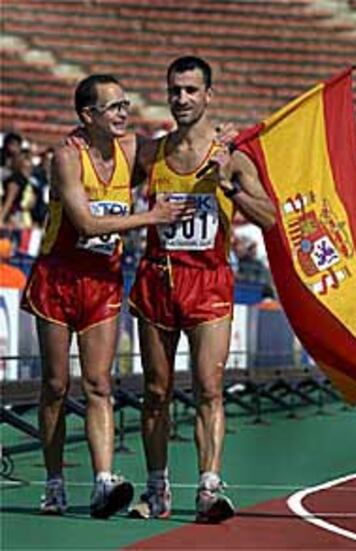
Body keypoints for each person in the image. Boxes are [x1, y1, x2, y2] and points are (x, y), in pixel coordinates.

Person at [20, 74, 194, 518]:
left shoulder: (131, 149)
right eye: (113, 106)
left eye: (125, 104)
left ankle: (103, 481)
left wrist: (221, 135)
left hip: (103, 280)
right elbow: (86, 225)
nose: (123, 113)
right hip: (58, 278)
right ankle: (54, 483)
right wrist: (149, 216)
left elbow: (179, 145)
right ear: (87, 115)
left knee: (99, 384)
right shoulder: (66, 156)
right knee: (56, 385)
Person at [127, 56, 276, 523]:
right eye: (175, 90)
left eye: (191, 90)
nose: (182, 99)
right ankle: (157, 490)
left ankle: (209, 489)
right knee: (155, 390)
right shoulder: (149, 153)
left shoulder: (233, 155)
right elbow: (104, 188)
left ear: (209, 95)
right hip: (157, 277)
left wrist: (228, 186)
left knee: (209, 388)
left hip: (208, 281)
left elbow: (270, 217)